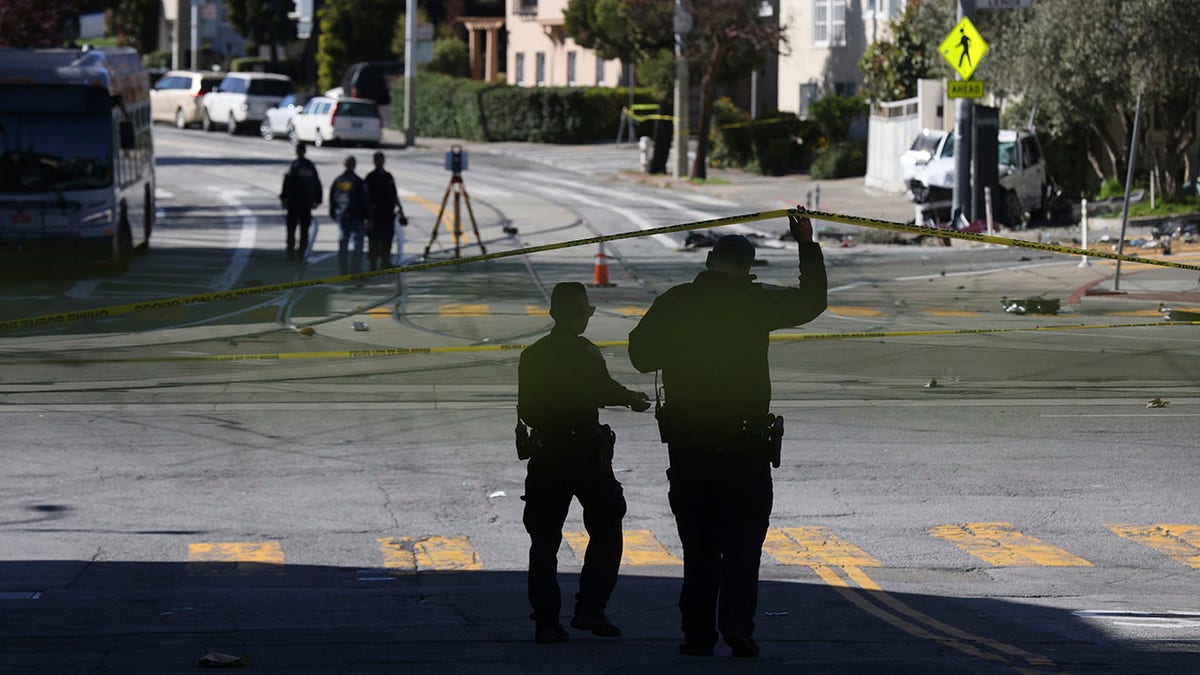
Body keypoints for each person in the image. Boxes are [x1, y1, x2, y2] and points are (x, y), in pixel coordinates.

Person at [627, 209, 827, 658]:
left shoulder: (676, 302)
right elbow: (813, 301)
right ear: (747, 270)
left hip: (690, 444)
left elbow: (640, 355)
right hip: (744, 445)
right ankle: (738, 627)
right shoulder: (755, 303)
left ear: (708, 263)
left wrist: (679, 346)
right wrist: (805, 243)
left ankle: (697, 634)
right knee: (742, 544)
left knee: (698, 548)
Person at [517, 282, 651, 645]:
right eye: (585, 312)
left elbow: (527, 410)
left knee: (543, 543)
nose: (586, 318)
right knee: (607, 529)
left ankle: (546, 621)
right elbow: (602, 389)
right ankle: (590, 608)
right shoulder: (586, 352)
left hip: (546, 456)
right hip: (585, 456)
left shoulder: (532, 354)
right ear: (577, 315)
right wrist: (631, 399)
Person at [364, 151, 408, 272]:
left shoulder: (388, 177)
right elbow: (365, 197)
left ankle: (385, 262)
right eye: (378, 160)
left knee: (387, 239)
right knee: (373, 240)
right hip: (374, 214)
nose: (380, 162)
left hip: (388, 214)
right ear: (374, 161)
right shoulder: (370, 177)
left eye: (381, 160)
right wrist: (367, 215)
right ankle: (373, 265)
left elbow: (394, 194)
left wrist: (401, 209)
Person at [279, 144, 322, 261]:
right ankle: (301, 252)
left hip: (294, 203)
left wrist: (283, 198)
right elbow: (317, 183)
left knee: (291, 229)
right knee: (304, 230)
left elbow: (286, 184)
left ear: (297, 152)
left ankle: (291, 252)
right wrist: (318, 199)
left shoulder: (293, 166)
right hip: (305, 204)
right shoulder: (310, 166)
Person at [328, 155, 370, 275]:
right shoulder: (358, 181)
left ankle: (344, 271)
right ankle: (355, 271)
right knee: (357, 246)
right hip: (355, 217)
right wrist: (368, 217)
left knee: (343, 246)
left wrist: (334, 213)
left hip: (343, 216)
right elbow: (365, 200)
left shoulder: (339, 180)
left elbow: (332, 198)